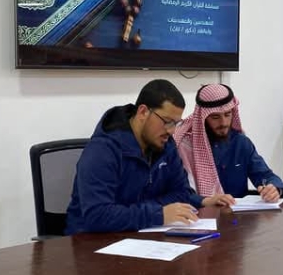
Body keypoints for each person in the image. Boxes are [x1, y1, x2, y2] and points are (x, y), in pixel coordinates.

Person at [65, 79, 232, 234]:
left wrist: (145, 210)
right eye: (167, 121)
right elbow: (98, 216)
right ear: (143, 112)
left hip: (143, 235)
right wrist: (158, 213)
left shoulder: (166, 144)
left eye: (176, 123)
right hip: (91, 243)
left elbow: (181, 193)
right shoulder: (103, 150)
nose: (171, 130)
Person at [173, 83, 283, 203]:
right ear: (203, 118)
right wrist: (206, 201)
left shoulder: (240, 143)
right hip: (200, 211)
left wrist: (274, 188)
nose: (224, 123)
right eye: (215, 117)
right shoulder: (184, 146)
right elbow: (178, 192)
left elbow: (265, 175)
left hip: (238, 212)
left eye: (228, 114)